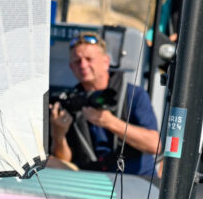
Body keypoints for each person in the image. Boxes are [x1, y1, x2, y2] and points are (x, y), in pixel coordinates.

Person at [50, 32, 160, 177]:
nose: (83, 65)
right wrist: (58, 135)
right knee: (48, 162)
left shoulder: (134, 95)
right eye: (77, 61)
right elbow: (64, 160)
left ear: (106, 62)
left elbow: (155, 145)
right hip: (92, 182)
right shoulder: (70, 102)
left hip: (136, 181)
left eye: (89, 59)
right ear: (71, 67)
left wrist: (110, 123)